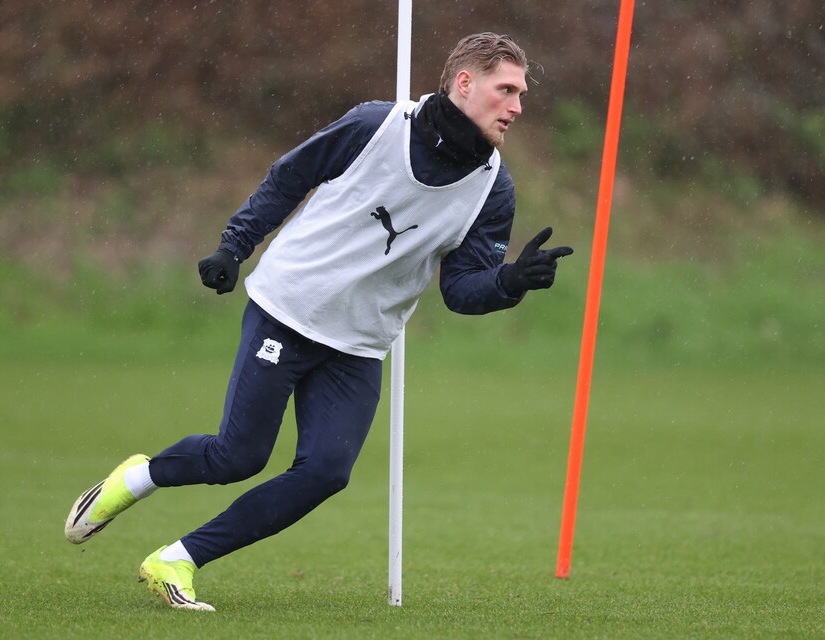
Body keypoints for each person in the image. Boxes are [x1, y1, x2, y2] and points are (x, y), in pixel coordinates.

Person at [64, 32, 573, 611]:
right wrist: (235, 246)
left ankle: (176, 560)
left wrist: (507, 283)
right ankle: (138, 478)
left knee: (327, 471)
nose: (518, 106)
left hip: (360, 342)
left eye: (521, 93)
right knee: (240, 456)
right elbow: (289, 176)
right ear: (464, 84)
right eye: (506, 89)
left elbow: (460, 289)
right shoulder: (375, 126)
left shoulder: (493, 188)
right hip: (289, 309)